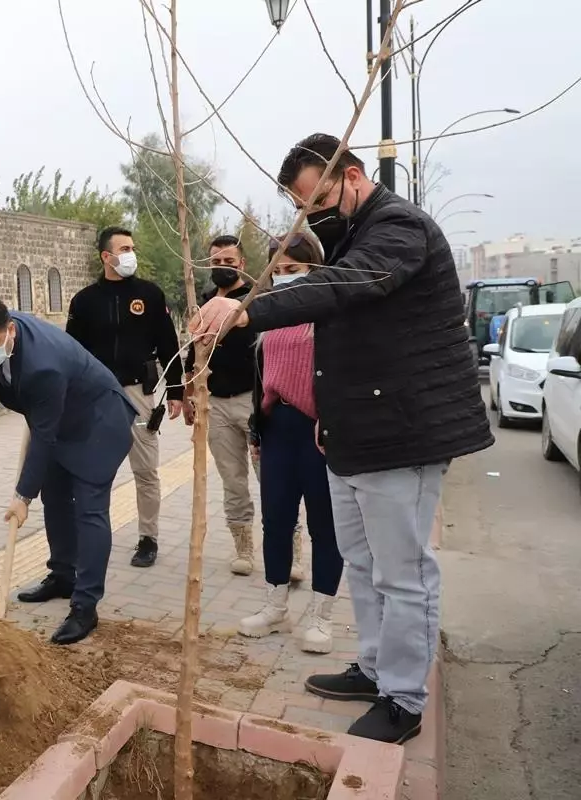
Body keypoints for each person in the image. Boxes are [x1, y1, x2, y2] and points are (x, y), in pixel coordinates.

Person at [194, 133, 493, 744]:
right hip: (353, 432)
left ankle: (405, 700)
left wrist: (248, 309)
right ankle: (376, 666)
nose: (313, 216)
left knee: (403, 571)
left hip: (401, 431)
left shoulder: (399, 227)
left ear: (353, 176)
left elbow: (348, 285)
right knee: (361, 562)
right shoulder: (352, 235)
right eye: (301, 207)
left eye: (318, 199)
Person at [0, 296, 136, 645]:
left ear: (10, 329)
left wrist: (21, 497)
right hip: (55, 419)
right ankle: (63, 576)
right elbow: (41, 425)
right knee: (54, 499)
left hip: (96, 424)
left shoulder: (44, 365)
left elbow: (42, 436)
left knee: (89, 511)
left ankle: (85, 606)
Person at [238, 231, 343, 654]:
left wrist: (332, 421)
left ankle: (321, 615)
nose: (284, 279)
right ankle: (275, 605)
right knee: (276, 520)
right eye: (277, 271)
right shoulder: (268, 316)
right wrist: (257, 429)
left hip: (319, 432)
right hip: (278, 426)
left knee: (325, 527)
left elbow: (342, 376)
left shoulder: (330, 315)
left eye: (294, 270)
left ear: (313, 270)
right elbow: (261, 377)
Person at [185, 235, 306, 581]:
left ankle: (292, 554)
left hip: (253, 402)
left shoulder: (258, 302)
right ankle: (244, 549)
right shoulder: (205, 302)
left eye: (229, 262)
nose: (222, 268)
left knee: (272, 480)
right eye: (216, 263)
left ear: (242, 265)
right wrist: (190, 391)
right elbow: (193, 350)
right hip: (215, 406)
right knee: (232, 481)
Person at [66, 226, 185, 568]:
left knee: (146, 471)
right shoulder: (85, 301)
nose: (131, 253)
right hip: (97, 395)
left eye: (133, 247)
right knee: (93, 472)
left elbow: (168, 344)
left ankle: (148, 538)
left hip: (139, 394)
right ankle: (91, 534)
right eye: (124, 248)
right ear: (107, 256)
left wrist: (176, 390)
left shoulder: (150, 294)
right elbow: (72, 351)